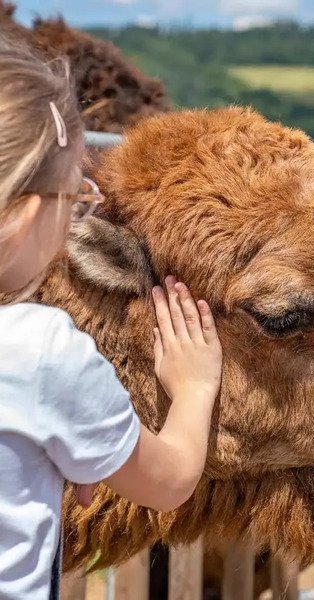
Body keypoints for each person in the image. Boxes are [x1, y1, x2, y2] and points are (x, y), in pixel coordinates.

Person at [0, 38, 223, 598]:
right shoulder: (40, 350)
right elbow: (169, 479)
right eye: (77, 198)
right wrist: (194, 389)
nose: (80, 216)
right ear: (30, 209)